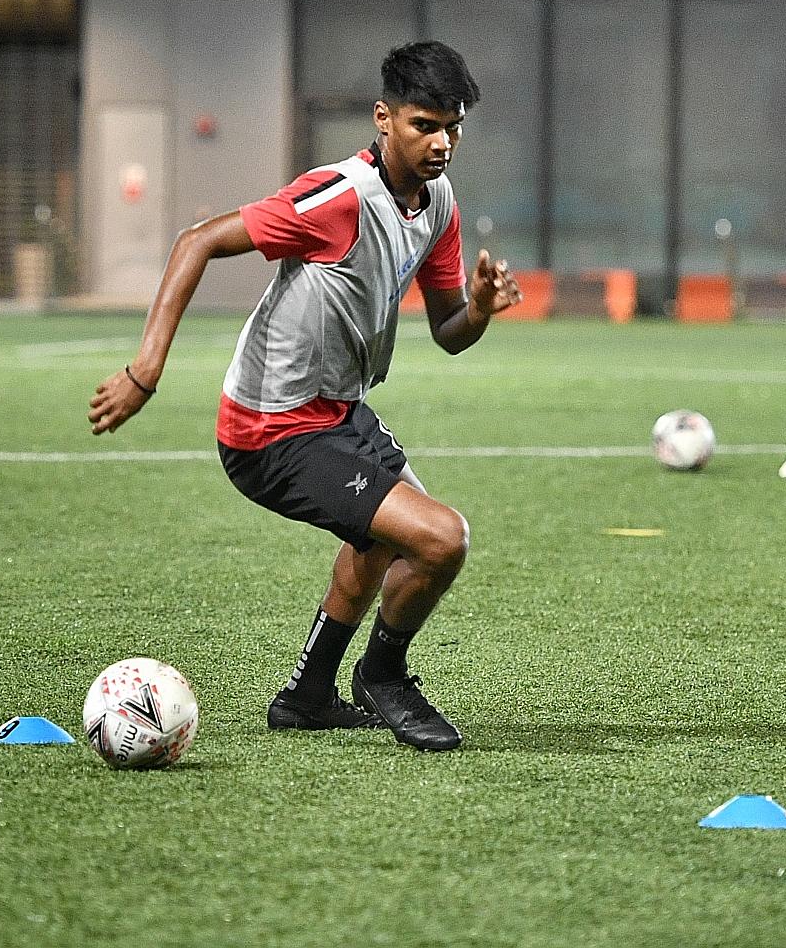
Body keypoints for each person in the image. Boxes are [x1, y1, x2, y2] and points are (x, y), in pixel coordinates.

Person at [87, 41, 520, 752]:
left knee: (389, 537)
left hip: (338, 411)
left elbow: (449, 333)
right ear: (383, 118)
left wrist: (477, 308)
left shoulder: (438, 202)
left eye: (454, 127)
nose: (442, 143)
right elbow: (197, 241)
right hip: (270, 428)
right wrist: (144, 373)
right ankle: (384, 677)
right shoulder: (338, 197)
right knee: (441, 538)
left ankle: (307, 697)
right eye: (424, 125)